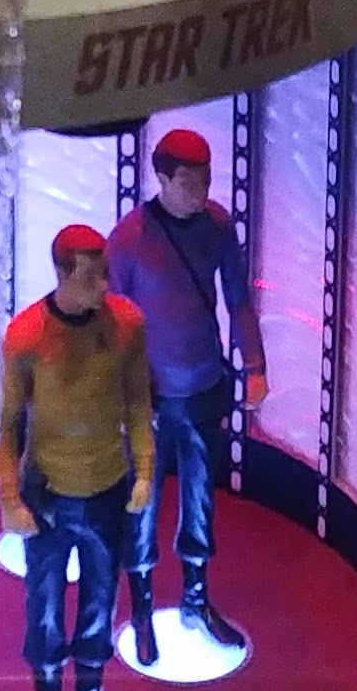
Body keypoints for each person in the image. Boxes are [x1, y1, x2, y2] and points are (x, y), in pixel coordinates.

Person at [0, 225, 154, 691]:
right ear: (62, 273)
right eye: (90, 276)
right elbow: (3, 425)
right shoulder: (27, 335)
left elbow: (139, 405)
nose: (103, 285)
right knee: (44, 620)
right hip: (48, 498)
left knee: (99, 611)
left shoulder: (126, 324)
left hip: (108, 490)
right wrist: (10, 499)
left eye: (106, 273)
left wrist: (145, 472)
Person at [106, 127, 268, 659]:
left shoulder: (217, 226)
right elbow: (111, 323)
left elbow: (239, 299)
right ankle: (142, 608)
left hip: (203, 385)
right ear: (163, 178)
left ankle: (197, 597)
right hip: (150, 397)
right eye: (189, 181)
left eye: (206, 179)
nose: (201, 190)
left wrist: (254, 363)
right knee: (143, 499)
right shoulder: (130, 238)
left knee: (200, 497)